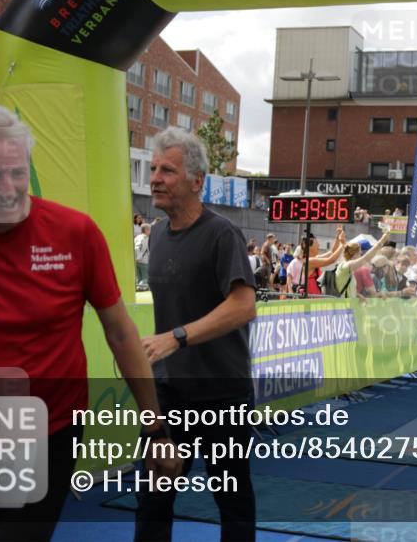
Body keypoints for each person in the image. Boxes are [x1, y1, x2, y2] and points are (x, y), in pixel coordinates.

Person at [0, 106, 178, 542]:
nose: (6, 189)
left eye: (15, 172)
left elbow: (120, 333)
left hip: (51, 430)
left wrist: (155, 428)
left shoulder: (75, 233)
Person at [137, 127, 258, 541]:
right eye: (153, 169)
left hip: (223, 395)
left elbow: (244, 306)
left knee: (232, 500)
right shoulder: (155, 234)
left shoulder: (222, 234)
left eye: (167, 170)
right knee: (154, 497)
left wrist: (177, 337)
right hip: (169, 394)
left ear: (197, 180)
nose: (154, 178)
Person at [335, 232, 391, 299]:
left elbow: (348, 288)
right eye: (359, 253)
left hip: (349, 305)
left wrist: (359, 296)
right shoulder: (346, 265)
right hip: (344, 306)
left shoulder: (347, 268)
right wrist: (381, 241)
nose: (360, 255)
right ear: (354, 254)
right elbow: (365, 258)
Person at [135, 223, 151, 290]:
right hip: (144, 260)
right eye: (150, 229)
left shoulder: (137, 237)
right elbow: (148, 249)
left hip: (137, 260)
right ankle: (140, 287)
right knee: (145, 278)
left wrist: (137, 257)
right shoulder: (146, 238)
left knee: (139, 277)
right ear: (146, 230)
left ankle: (139, 287)